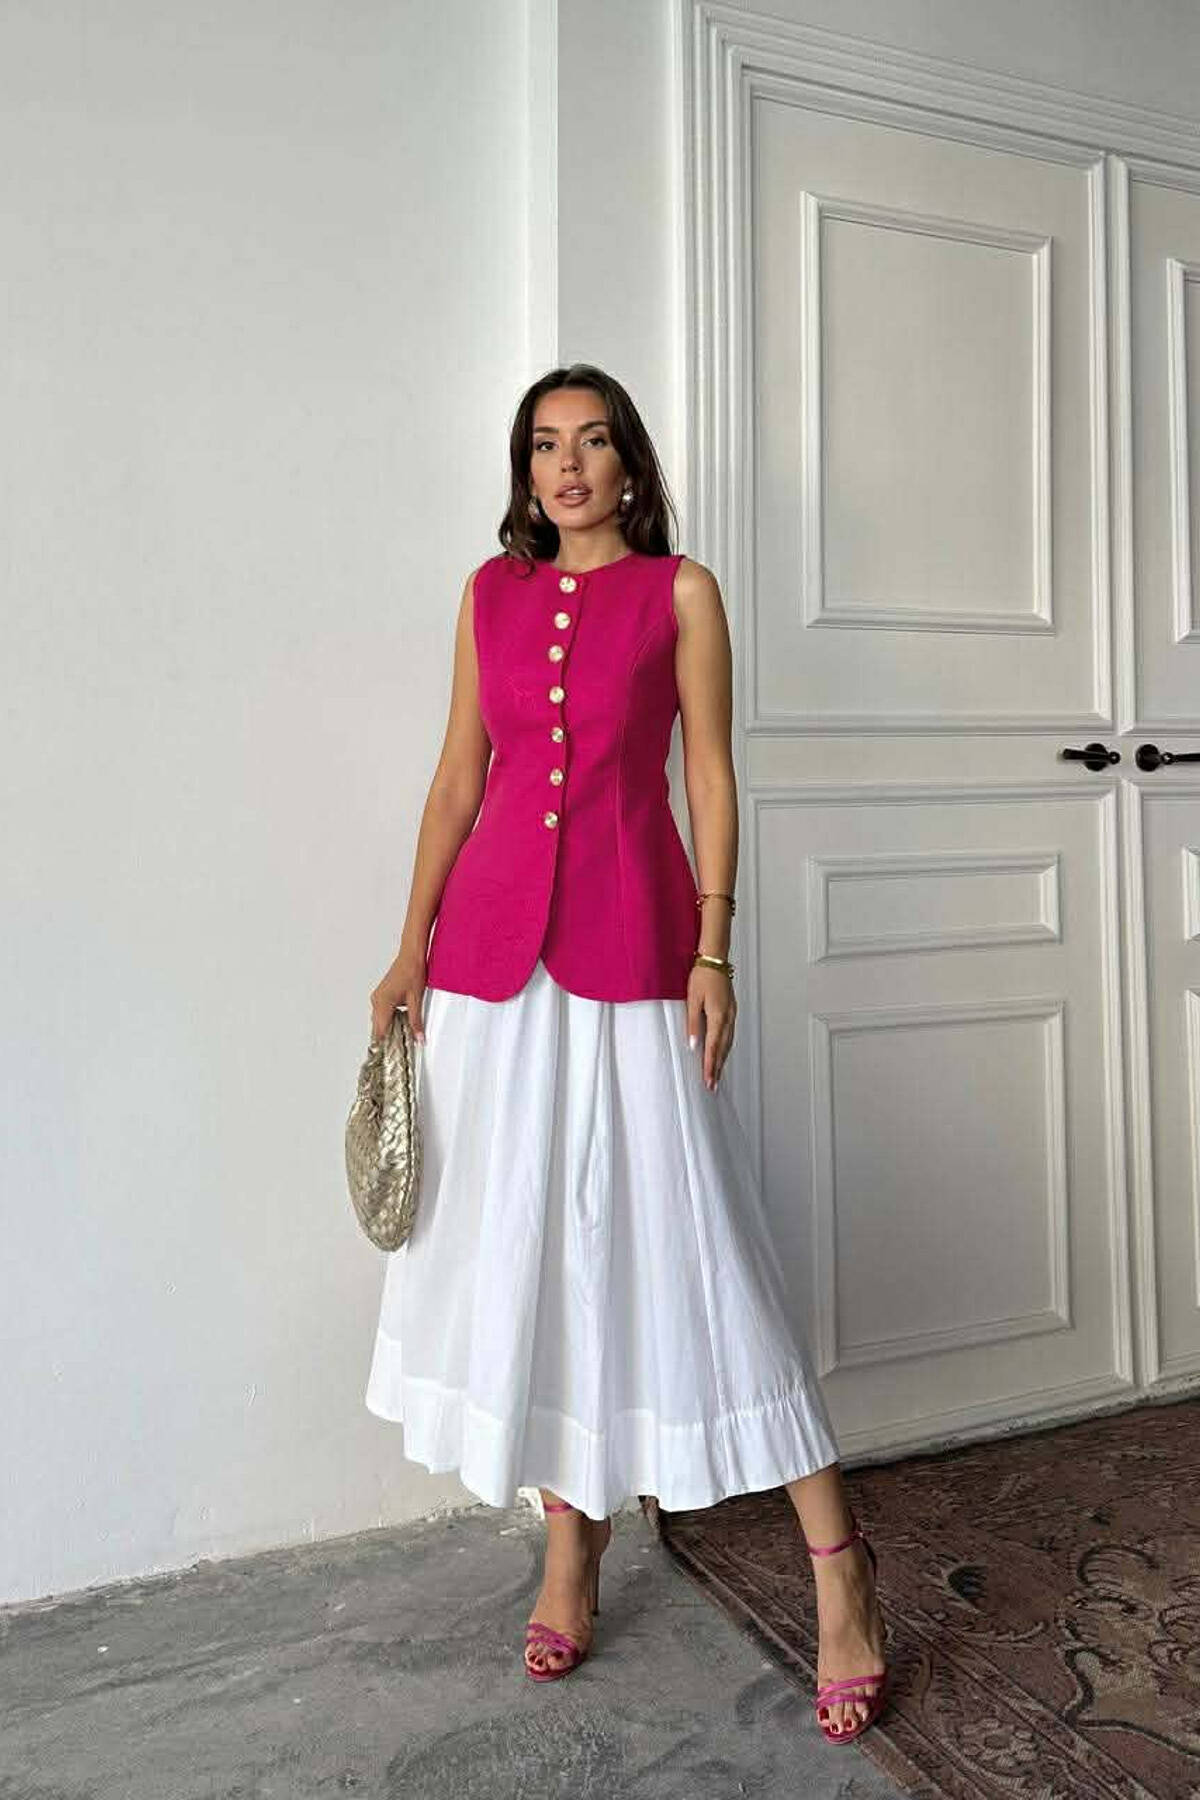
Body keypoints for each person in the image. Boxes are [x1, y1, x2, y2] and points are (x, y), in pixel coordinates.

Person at [364, 364, 888, 1742]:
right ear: (526, 469)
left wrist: (715, 950)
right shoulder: (489, 596)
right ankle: (571, 1548)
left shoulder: (682, 595)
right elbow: (459, 779)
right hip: (491, 963)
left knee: (699, 1247)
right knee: (532, 1250)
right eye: (546, 445)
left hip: (635, 950)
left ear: (631, 466)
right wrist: (411, 945)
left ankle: (840, 1568)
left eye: (593, 442)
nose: (569, 465)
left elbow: (708, 776)